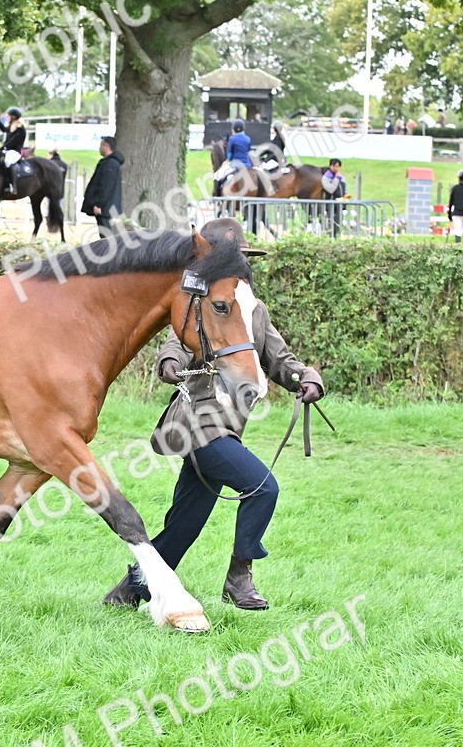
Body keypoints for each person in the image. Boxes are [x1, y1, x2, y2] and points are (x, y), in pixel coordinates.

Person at [104, 218, 325, 612]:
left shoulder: (253, 311)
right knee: (262, 487)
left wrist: (305, 378)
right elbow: (177, 342)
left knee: (184, 524)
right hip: (199, 423)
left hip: (230, 429)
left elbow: (278, 359)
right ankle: (239, 579)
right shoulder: (197, 302)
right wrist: (170, 362)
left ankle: (130, 590)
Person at [80, 136, 123, 231]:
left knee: (106, 236)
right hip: (106, 208)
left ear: (106, 146)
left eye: (101, 145)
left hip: (106, 208)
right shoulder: (108, 163)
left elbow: (106, 186)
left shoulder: (110, 164)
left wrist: (99, 205)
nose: (99, 148)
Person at [0, 107, 26, 194]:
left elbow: (12, 142)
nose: (7, 117)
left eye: (8, 116)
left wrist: (1, 148)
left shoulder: (20, 129)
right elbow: (4, 129)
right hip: (8, 150)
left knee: (8, 161)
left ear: (13, 117)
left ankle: (13, 186)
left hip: (15, 151)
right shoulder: (12, 126)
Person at [214, 119, 252, 196]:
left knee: (217, 176)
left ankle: (217, 197)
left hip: (235, 164)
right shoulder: (248, 139)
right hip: (247, 165)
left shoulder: (232, 139)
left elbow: (229, 154)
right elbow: (248, 151)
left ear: (234, 129)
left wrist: (228, 160)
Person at [322, 158, 346, 237]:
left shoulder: (341, 177)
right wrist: (336, 179)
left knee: (338, 223)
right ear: (330, 166)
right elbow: (330, 189)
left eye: (338, 166)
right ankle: (330, 237)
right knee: (331, 222)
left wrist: (345, 195)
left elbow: (343, 188)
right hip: (330, 203)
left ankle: (336, 237)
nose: (336, 168)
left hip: (340, 203)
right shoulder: (326, 177)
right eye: (335, 166)